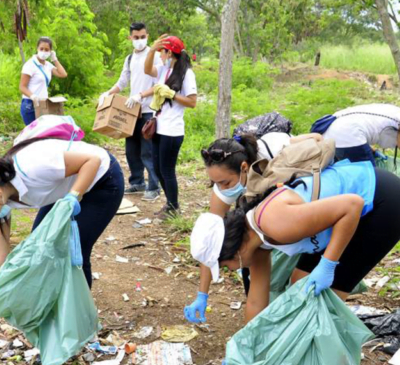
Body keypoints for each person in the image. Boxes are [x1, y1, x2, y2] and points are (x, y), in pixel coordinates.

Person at [216, 160, 400, 365]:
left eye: (226, 266)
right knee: (301, 289)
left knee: (321, 307)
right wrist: (248, 349)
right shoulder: (255, 245)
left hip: (382, 203)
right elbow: (256, 303)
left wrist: (328, 265)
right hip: (342, 216)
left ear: (234, 251)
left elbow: (353, 205)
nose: (230, 271)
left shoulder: (275, 222)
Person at [0, 136, 124, 331]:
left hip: (101, 179)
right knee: (41, 251)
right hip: (63, 188)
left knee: (72, 251)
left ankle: (79, 323)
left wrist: (73, 196)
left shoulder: (34, 167)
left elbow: (92, 161)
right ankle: (54, 313)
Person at [185, 132, 323, 322]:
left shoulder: (274, 148)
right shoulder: (225, 189)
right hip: (265, 223)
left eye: (225, 182)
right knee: (256, 275)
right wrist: (202, 294)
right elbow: (211, 242)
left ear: (244, 167)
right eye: (215, 184)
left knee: (290, 277)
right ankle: (261, 326)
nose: (222, 190)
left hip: (305, 211)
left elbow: (316, 139)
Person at [315, 103, 400, 239]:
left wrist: (369, 150)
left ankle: (328, 220)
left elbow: (364, 121)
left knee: (344, 182)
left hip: (330, 129)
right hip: (348, 135)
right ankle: (358, 231)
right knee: (372, 188)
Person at [99, 22, 162, 201]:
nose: (140, 40)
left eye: (143, 37)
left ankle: (154, 186)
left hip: (150, 109)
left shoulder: (155, 56)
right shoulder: (129, 58)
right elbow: (122, 81)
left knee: (148, 150)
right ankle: (137, 182)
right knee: (132, 149)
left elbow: (160, 84)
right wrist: (108, 94)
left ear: (147, 36)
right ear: (130, 38)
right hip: (132, 110)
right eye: (136, 37)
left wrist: (141, 95)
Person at [143, 35, 197, 219]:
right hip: (159, 127)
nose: (160, 55)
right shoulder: (164, 70)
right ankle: (170, 204)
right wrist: (151, 50)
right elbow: (147, 69)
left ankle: (174, 207)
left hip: (172, 130)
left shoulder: (186, 73)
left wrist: (172, 94)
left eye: (162, 52)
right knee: (158, 169)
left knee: (167, 170)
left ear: (169, 53)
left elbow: (192, 102)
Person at [19, 37, 68, 126]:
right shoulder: (30, 65)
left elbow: (63, 74)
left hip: (43, 103)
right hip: (30, 104)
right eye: (41, 49)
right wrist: (33, 96)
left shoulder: (47, 65)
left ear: (50, 51)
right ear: (37, 48)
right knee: (34, 134)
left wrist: (54, 59)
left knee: (43, 133)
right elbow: (22, 87)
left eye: (47, 50)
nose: (44, 51)